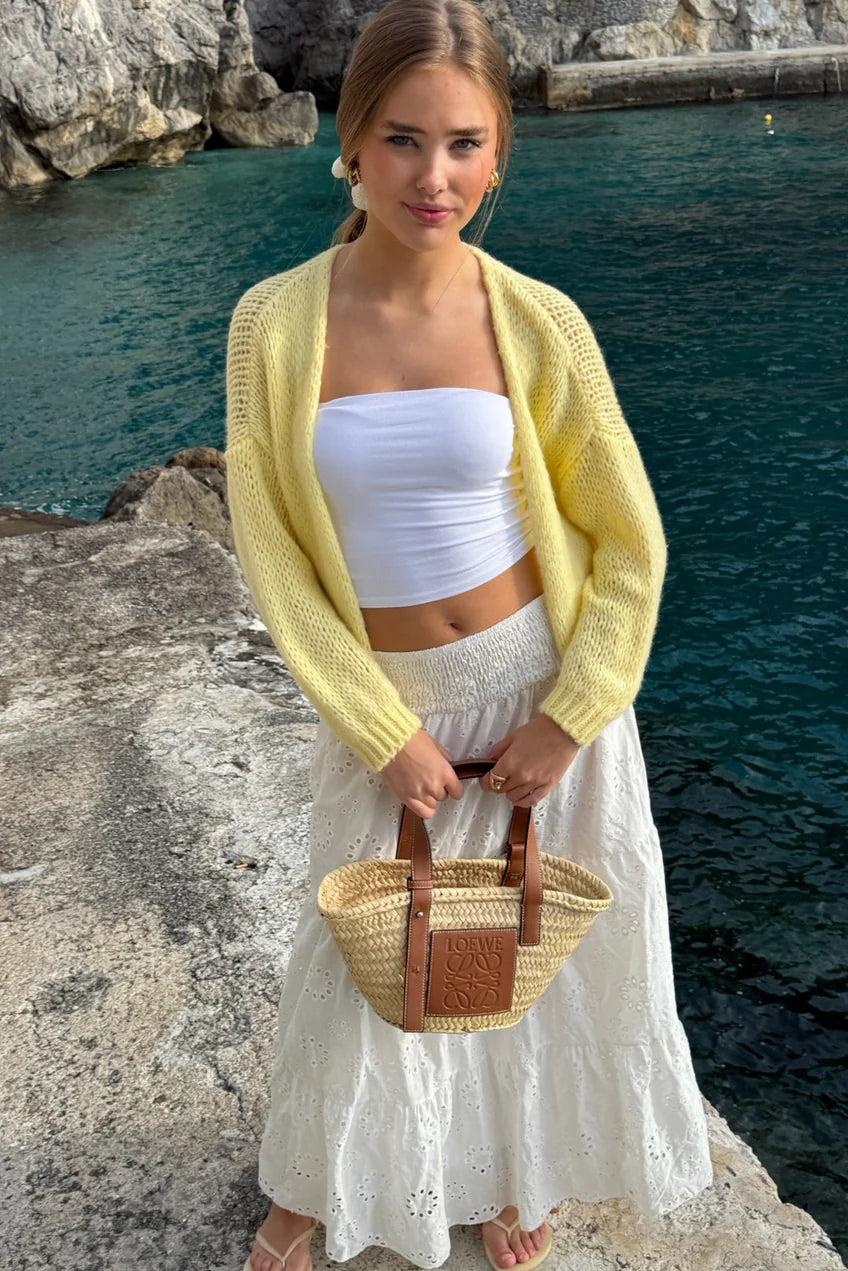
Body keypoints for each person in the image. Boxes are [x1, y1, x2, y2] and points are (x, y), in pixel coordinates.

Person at [224, 2, 714, 1269]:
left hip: (534, 694)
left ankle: (518, 1165)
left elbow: (627, 544)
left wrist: (570, 714)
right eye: (401, 139)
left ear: (497, 156)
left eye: (462, 144)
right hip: (387, 703)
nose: (430, 177)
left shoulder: (538, 321)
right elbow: (274, 552)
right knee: (358, 958)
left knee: (527, 952)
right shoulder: (272, 323)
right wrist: (377, 727)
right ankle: (313, 1187)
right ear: (349, 141)